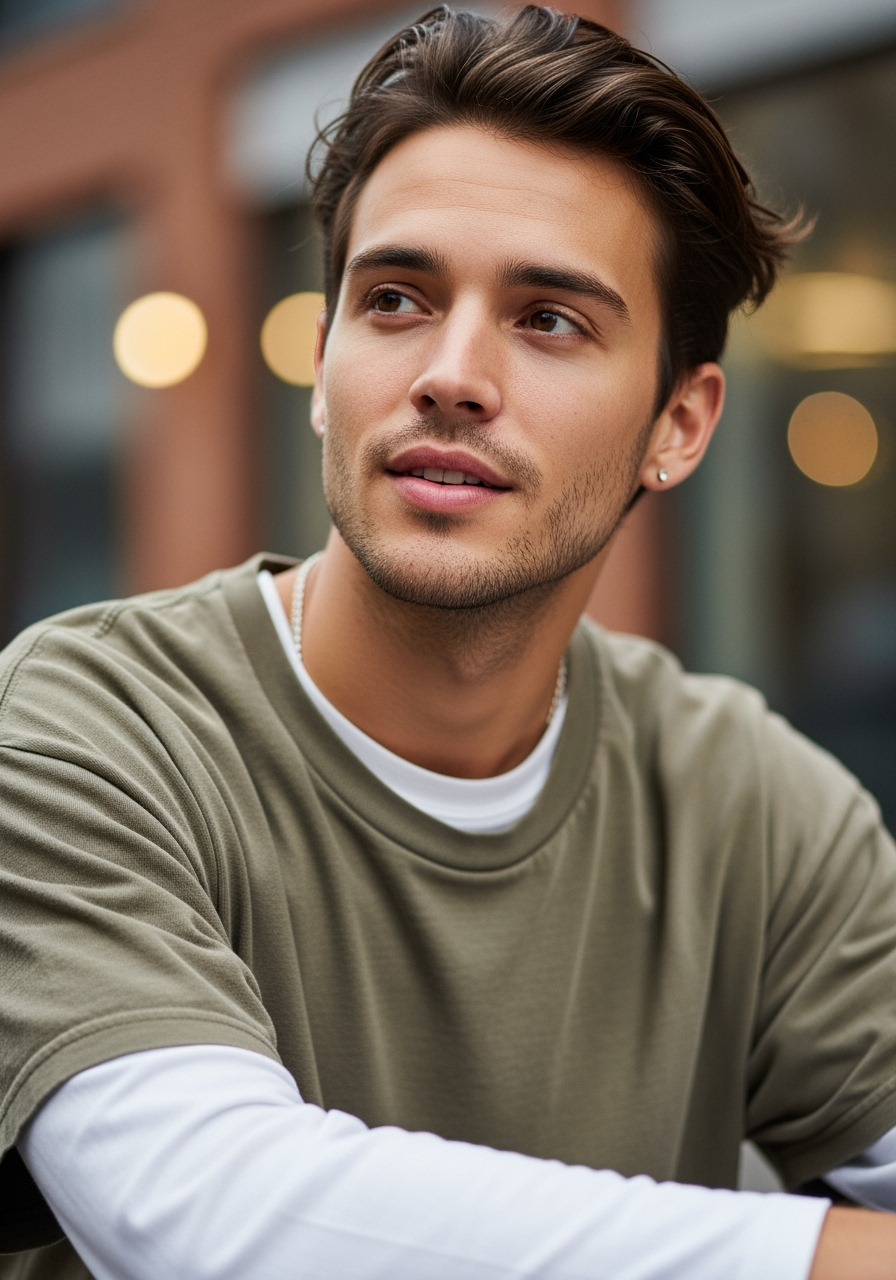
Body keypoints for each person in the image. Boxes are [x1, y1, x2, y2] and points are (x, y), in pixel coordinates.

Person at [2, 6, 896, 1278]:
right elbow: (208, 1214)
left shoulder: (750, 802)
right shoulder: (84, 730)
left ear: (679, 424)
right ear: (321, 366)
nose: (451, 371)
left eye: (548, 320)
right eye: (396, 299)